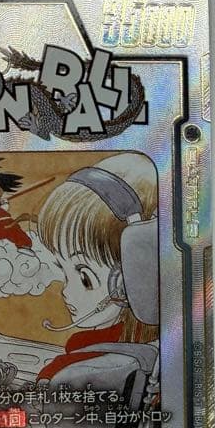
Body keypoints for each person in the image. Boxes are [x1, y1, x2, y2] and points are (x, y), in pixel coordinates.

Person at [35, 152, 159, 384]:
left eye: (84, 277)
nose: (65, 291)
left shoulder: (67, 373)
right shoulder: (152, 351)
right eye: (62, 269)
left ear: (124, 282)